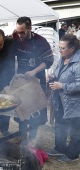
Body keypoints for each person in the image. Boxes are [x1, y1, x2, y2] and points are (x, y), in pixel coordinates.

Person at [11, 17, 54, 145]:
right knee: (22, 108)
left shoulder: (41, 41)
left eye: (22, 32)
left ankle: (33, 138)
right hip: (22, 81)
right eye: (18, 32)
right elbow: (1, 39)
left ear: (30, 28)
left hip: (36, 79)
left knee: (35, 109)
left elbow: (49, 61)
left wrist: (34, 71)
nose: (20, 35)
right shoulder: (15, 37)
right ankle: (22, 137)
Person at [48, 34, 80, 162]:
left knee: (75, 129)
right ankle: (59, 147)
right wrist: (52, 77)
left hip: (75, 103)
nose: (60, 51)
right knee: (60, 124)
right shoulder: (63, 58)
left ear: (72, 49)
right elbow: (58, 73)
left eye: (63, 48)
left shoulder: (78, 62)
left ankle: (73, 154)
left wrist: (62, 85)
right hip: (60, 100)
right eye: (59, 48)